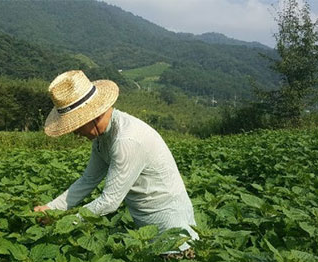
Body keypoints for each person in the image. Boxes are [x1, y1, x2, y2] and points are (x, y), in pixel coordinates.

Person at [33, 70, 198, 252]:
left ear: (92, 116)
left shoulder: (126, 141)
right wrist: (51, 208)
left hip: (170, 228)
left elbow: (109, 201)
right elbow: (88, 180)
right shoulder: (103, 138)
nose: (75, 132)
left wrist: (64, 221)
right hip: (145, 226)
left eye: (76, 125)